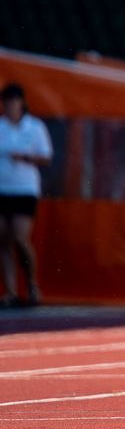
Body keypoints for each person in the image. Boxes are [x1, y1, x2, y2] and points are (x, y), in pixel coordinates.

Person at [0, 83, 52, 308]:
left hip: (24, 189)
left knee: (20, 237)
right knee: (2, 239)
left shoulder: (34, 127)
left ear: (22, 103)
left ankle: (32, 283)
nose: (10, 106)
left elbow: (46, 158)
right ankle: (11, 292)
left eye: (14, 102)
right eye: (6, 102)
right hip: (2, 188)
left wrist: (25, 158)